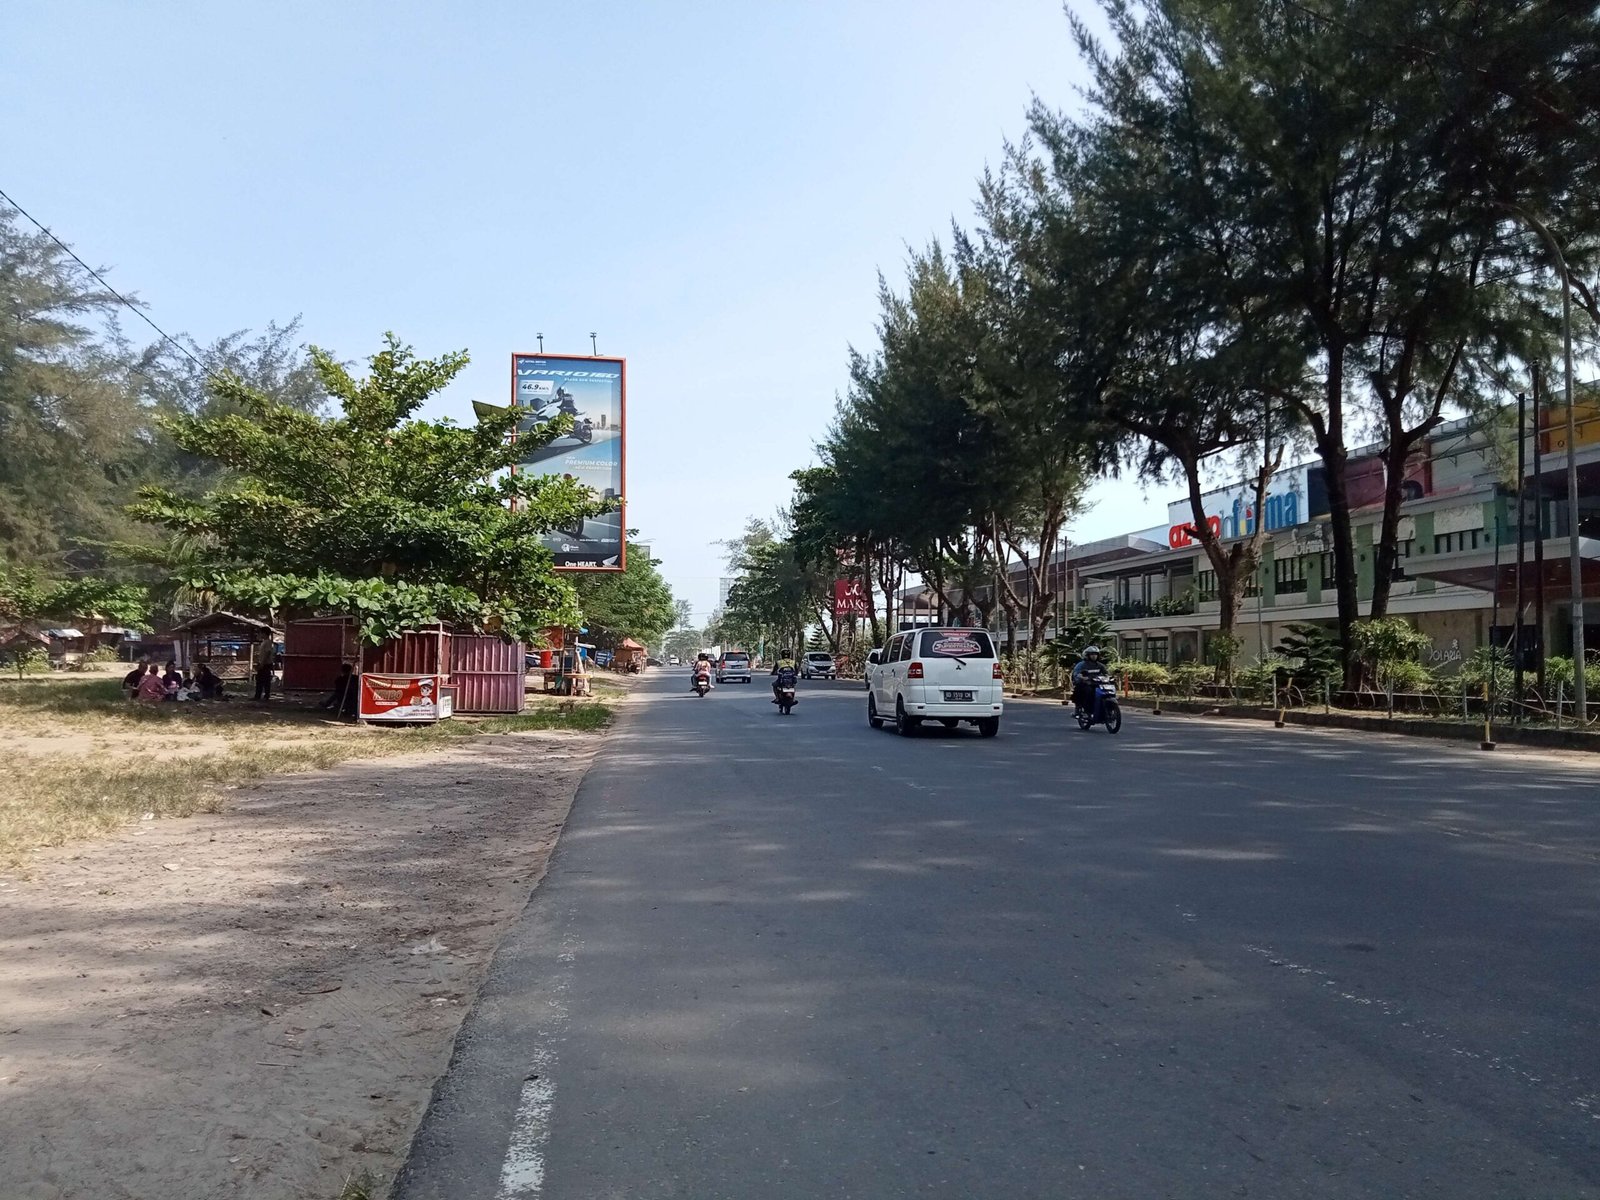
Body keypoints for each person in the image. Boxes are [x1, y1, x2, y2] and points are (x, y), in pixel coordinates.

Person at [1070, 645, 1108, 714]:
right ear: (1087, 655)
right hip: (1085, 684)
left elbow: (1106, 673)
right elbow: (1076, 673)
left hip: (1098, 684)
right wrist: (1082, 677)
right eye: (1092, 654)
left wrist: (1110, 677)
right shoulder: (1082, 665)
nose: (1094, 656)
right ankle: (1080, 709)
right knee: (1087, 692)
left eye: (1095, 654)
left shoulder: (1100, 665)